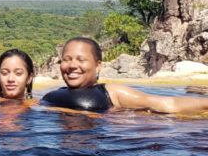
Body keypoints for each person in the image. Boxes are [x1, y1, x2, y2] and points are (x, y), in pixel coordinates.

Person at [43, 36, 208, 114]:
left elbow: (167, 103)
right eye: (67, 59)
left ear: (98, 65)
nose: (72, 65)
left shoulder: (111, 92)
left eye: (81, 60)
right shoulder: (50, 96)